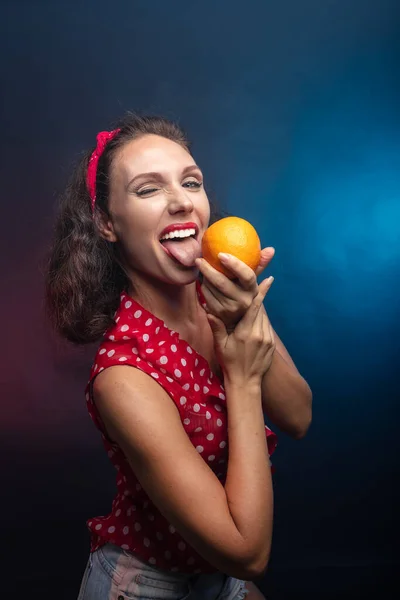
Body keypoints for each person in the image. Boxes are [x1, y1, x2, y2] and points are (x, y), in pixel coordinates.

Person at [45, 113, 312, 600]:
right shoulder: (123, 377)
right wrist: (243, 377)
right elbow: (248, 552)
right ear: (107, 223)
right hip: (146, 586)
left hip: (221, 581)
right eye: (148, 190)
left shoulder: (220, 297)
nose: (181, 201)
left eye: (191, 182)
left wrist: (246, 316)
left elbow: (298, 416)